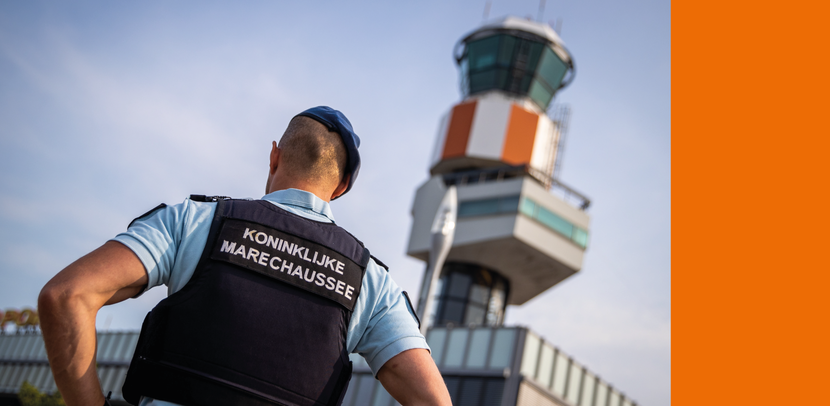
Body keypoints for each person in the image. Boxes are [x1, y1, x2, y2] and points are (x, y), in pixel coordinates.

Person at [38, 106, 452, 406]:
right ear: (342, 187)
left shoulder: (193, 222)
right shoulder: (372, 284)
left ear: (274, 156)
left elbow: (66, 297)